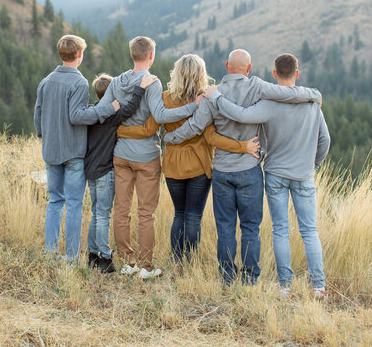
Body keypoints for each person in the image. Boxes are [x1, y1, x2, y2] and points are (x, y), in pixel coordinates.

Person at [163, 49, 322, 285]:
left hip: (222, 171)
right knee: (250, 228)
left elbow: (196, 126)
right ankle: (249, 278)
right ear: (248, 69)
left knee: (225, 227)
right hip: (249, 170)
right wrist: (314, 93)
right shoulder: (257, 87)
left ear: (227, 65)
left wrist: (170, 138)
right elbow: (288, 93)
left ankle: (227, 277)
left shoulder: (212, 94)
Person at [206, 53, 330, 298]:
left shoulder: (269, 103)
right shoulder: (312, 104)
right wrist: (312, 165)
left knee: (281, 230)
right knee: (309, 230)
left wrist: (216, 97)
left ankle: (284, 285)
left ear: (274, 73)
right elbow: (324, 141)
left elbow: (240, 115)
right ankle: (318, 286)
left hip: (275, 174)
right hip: (303, 174)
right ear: (297, 73)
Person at [118, 53, 260, 263]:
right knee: (193, 216)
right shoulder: (207, 98)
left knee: (179, 214)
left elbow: (148, 128)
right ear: (200, 74)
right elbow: (211, 137)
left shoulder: (165, 98)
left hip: (173, 166)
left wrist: (119, 131)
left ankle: (176, 260)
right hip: (199, 165)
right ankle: (190, 261)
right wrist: (242, 147)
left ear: (177, 73)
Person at [99, 36, 201, 279]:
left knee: (121, 210)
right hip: (146, 155)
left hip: (120, 153)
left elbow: (104, 111)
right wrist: (194, 106)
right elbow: (161, 115)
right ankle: (146, 266)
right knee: (146, 213)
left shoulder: (116, 81)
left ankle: (127, 262)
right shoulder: (152, 82)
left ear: (131, 55)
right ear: (151, 56)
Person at [34, 34, 120, 262]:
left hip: (51, 151)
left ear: (61, 53)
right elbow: (77, 116)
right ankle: (71, 256)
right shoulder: (79, 82)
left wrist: (46, 136)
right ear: (79, 54)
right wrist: (107, 109)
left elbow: (38, 115)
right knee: (73, 204)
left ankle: (50, 252)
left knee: (54, 200)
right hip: (73, 152)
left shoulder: (46, 81)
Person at [84, 72, 157, 274]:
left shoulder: (91, 113)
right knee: (105, 214)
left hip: (90, 169)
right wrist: (141, 87)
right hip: (106, 169)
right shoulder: (112, 116)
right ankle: (106, 257)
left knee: (98, 213)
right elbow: (131, 108)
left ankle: (95, 254)